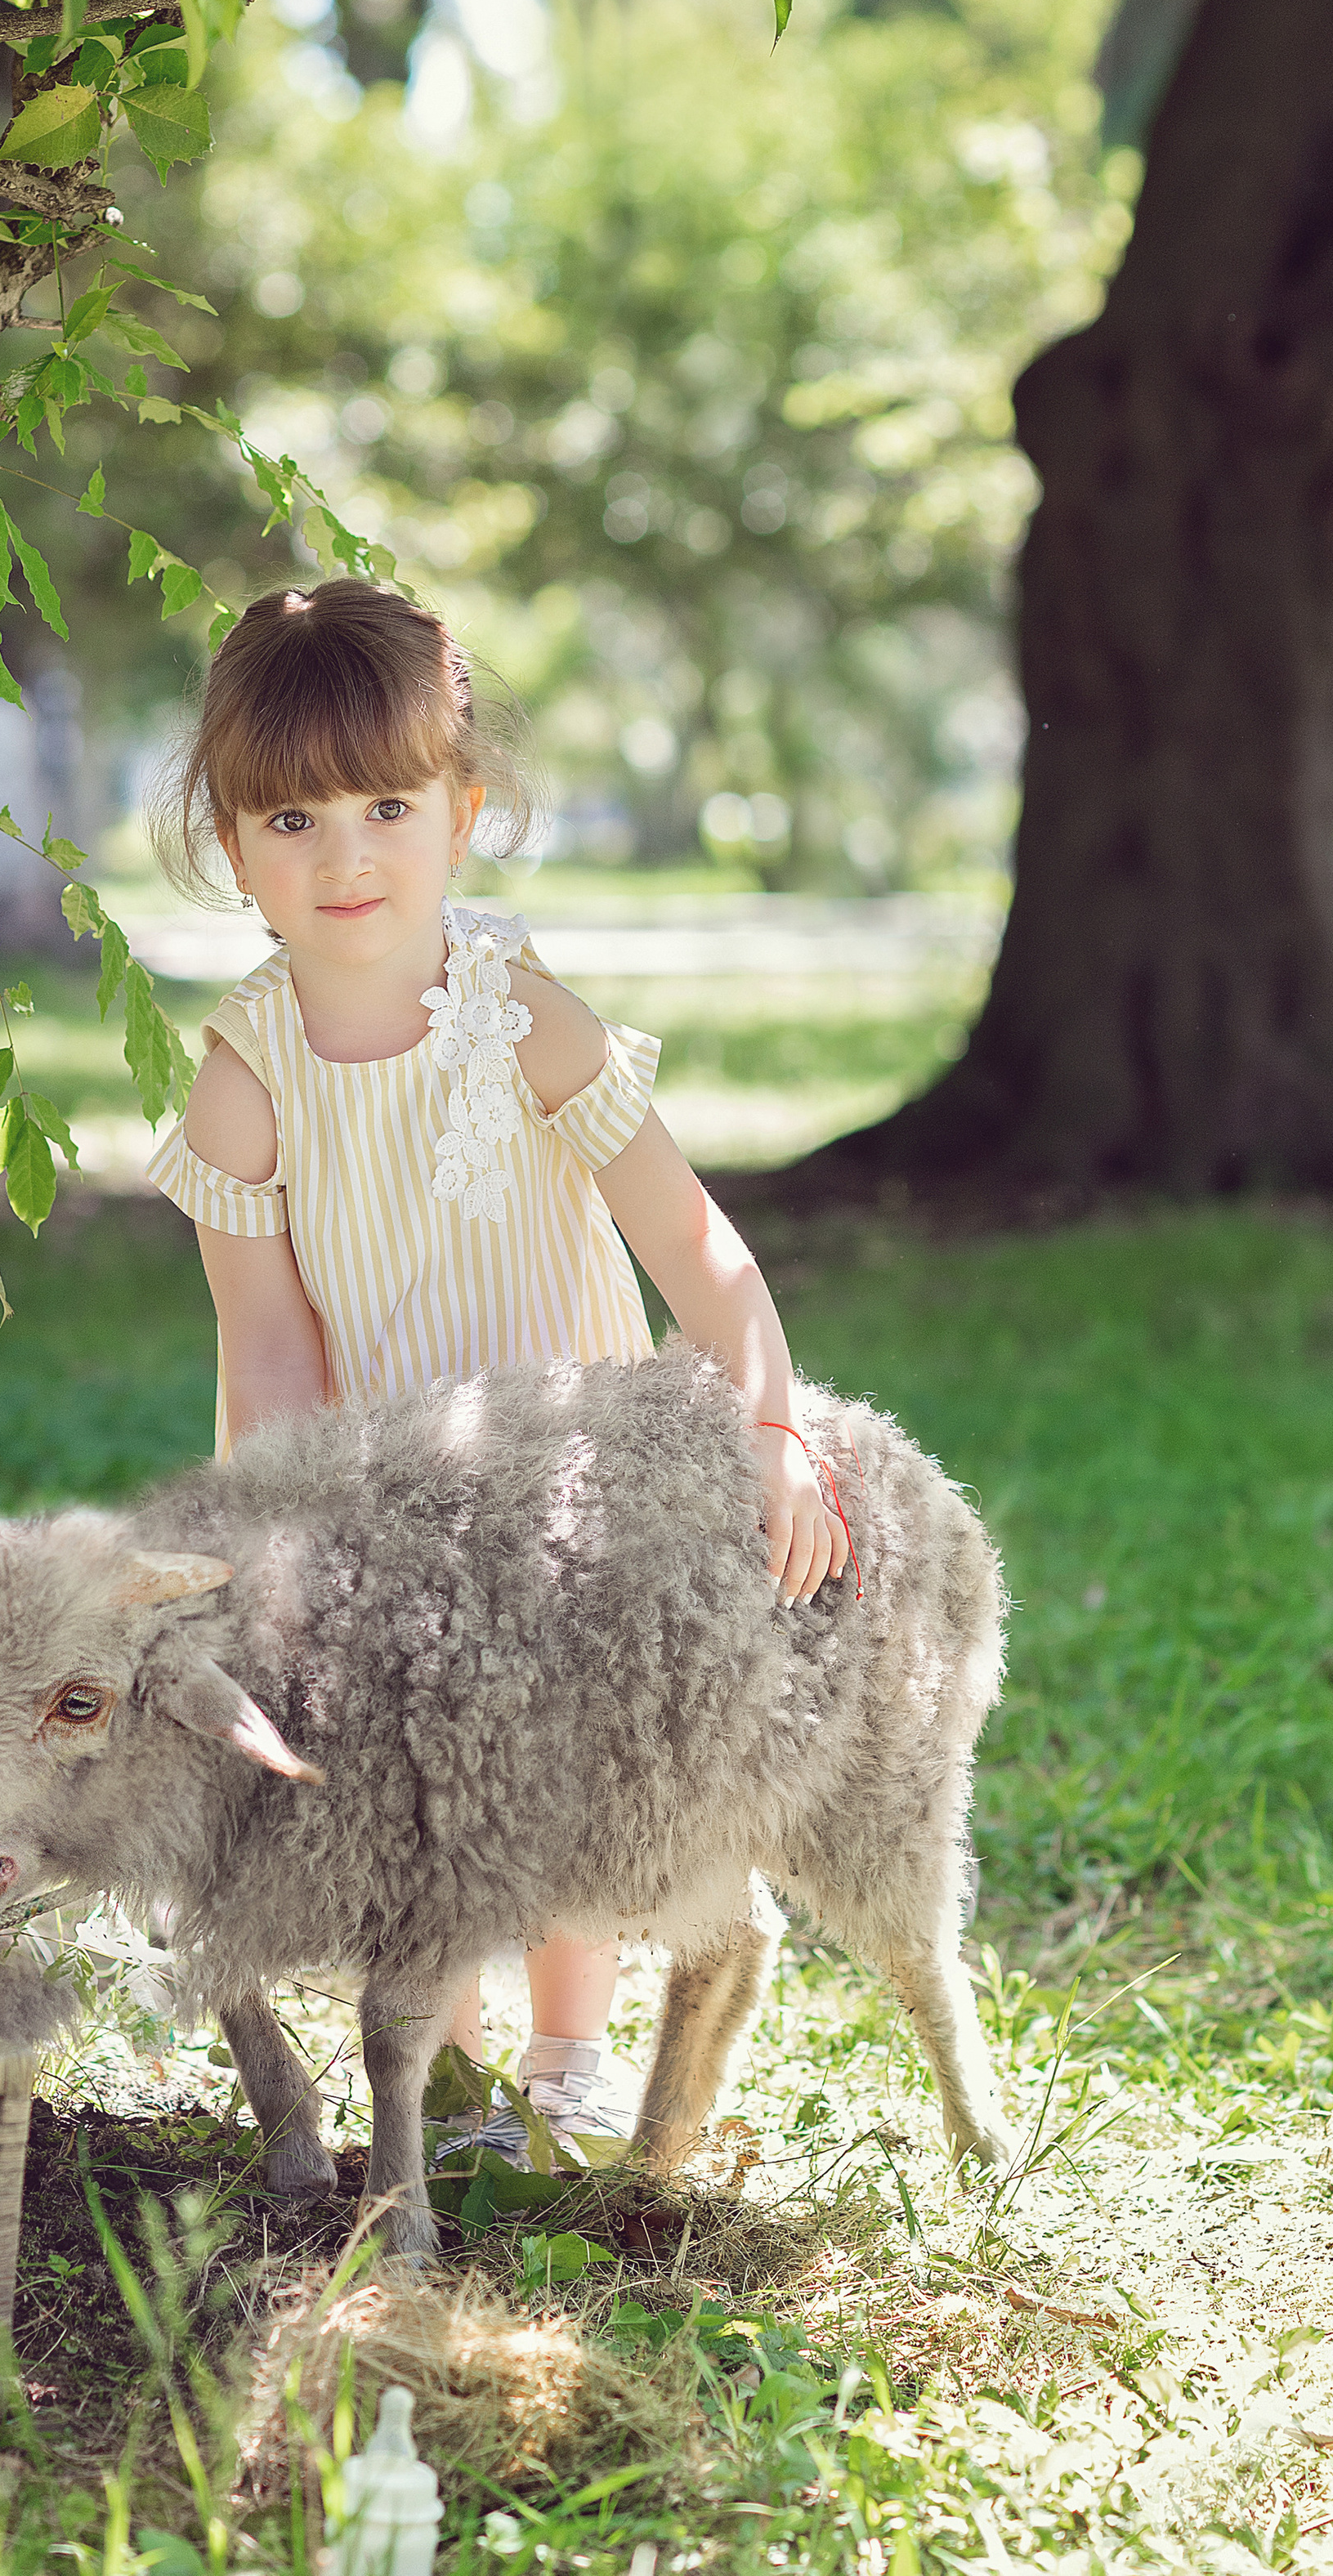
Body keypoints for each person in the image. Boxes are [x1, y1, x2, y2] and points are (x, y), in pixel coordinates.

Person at [145, 579, 847, 2160]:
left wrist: (775, 1426)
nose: (348, 857)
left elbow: (690, 1240)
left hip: (569, 1481)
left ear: (463, 814)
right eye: (296, 818)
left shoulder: (516, 1016)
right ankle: (447, 2077)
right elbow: (265, 1345)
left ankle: (571, 2055)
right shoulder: (244, 1080)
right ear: (230, 843)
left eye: (389, 806)